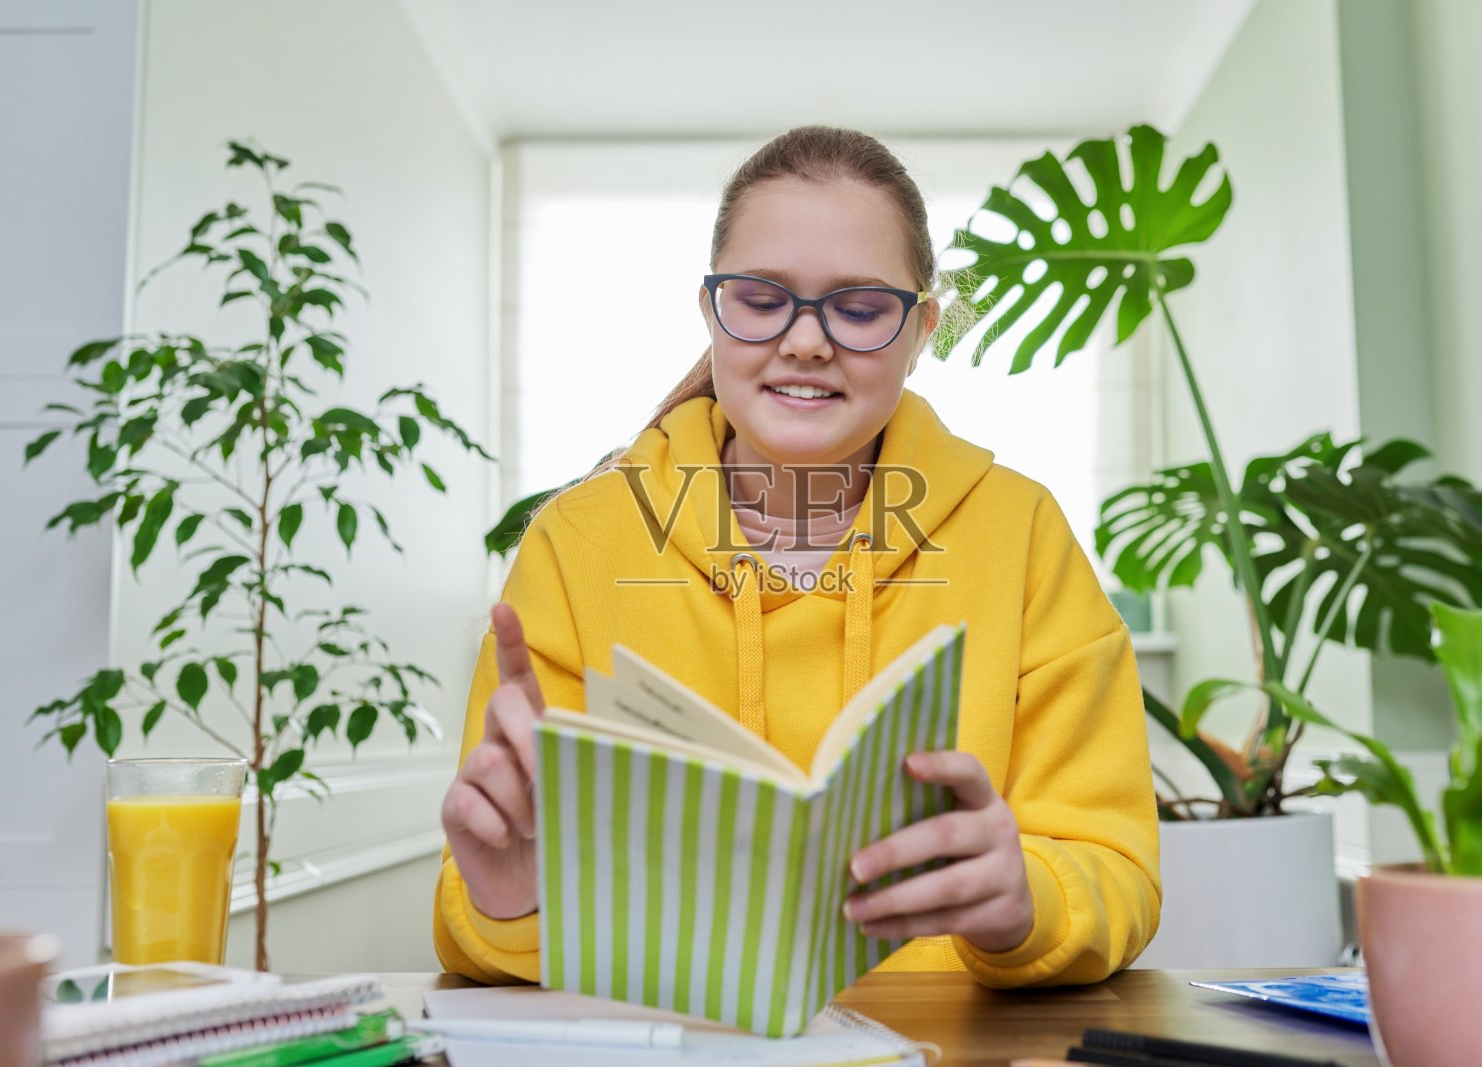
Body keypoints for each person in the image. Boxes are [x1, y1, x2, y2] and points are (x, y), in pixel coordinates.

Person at [434, 126, 1160, 988]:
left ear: (921, 328)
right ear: (711, 313)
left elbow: (1116, 872)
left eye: (858, 308)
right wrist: (514, 901)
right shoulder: (579, 544)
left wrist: (1025, 903)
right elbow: (474, 905)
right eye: (761, 298)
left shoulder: (1023, 532)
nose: (807, 341)